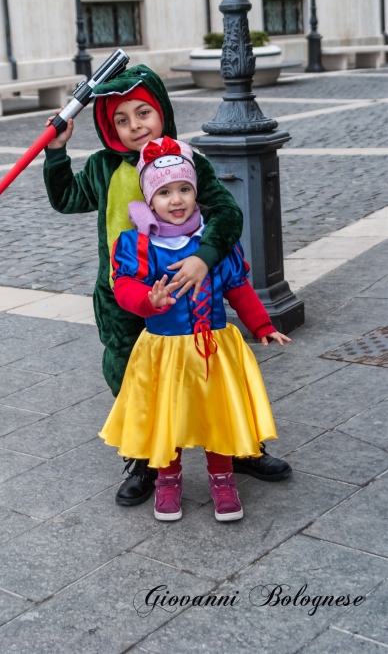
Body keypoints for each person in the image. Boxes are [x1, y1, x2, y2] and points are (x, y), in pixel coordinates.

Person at [43, 64, 290, 506]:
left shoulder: (189, 159)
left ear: (162, 112)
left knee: (212, 378)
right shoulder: (103, 167)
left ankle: (238, 447)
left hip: (192, 296)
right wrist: (57, 152)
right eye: (121, 119)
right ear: (108, 127)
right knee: (135, 381)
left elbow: (228, 215)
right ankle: (147, 460)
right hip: (123, 295)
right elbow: (65, 199)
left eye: (143, 113)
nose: (135, 125)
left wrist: (203, 258)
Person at [100, 137, 291, 521]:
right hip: (163, 351)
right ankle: (167, 481)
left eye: (184, 189)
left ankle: (223, 480)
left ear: (196, 193)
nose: (176, 199)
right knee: (166, 417)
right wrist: (147, 300)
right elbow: (123, 288)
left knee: (216, 414)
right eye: (165, 192)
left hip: (212, 348)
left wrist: (262, 324)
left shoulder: (212, 243)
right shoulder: (138, 245)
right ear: (149, 200)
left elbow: (238, 288)